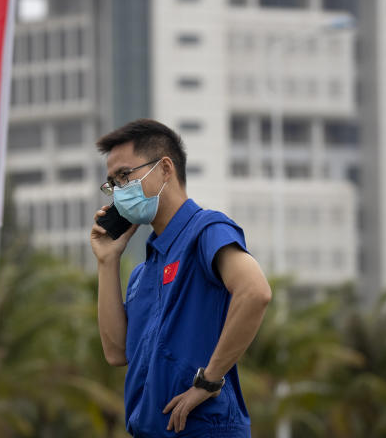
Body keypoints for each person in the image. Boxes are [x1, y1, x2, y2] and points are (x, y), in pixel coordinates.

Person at [90, 119, 271, 437]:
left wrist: (210, 380)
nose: (118, 192)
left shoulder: (206, 230)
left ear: (164, 168)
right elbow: (116, 353)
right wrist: (107, 261)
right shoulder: (143, 272)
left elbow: (255, 291)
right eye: (112, 183)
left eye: (124, 175)